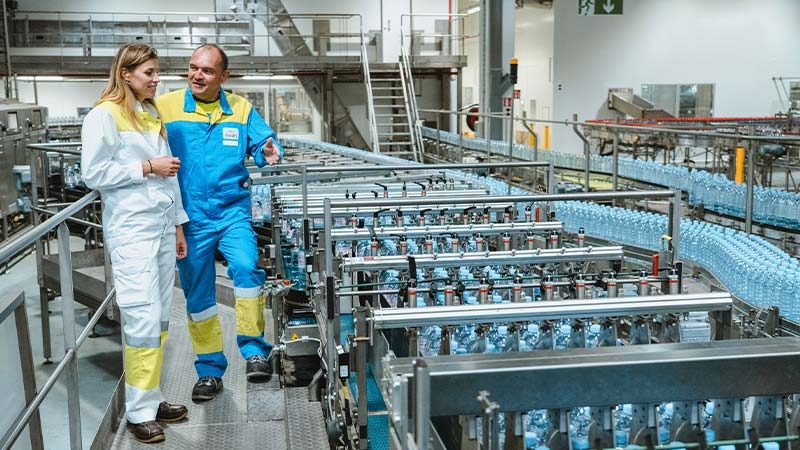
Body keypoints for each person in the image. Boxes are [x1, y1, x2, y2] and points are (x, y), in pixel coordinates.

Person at [157, 44, 283, 402]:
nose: (197, 75)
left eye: (207, 71)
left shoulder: (241, 109)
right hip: (188, 217)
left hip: (231, 212)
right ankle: (210, 370)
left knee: (246, 268)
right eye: (193, 68)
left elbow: (265, 143)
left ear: (224, 77)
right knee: (198, 295)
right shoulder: (165, 106)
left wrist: (269, 151)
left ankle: (255, 350)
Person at [81, 43, 190, 444]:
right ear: (126, 74)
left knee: (160, 319)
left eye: (157, 72)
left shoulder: (148, 113)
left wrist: (178, 226)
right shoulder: (103, 116)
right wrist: (146, 167)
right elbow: (92, 173)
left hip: (161, 229)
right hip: (132, 231)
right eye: (149, 73)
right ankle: (139, 412)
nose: (156, 79)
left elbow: (171, 175)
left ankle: (152, 396)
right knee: (142, 319)